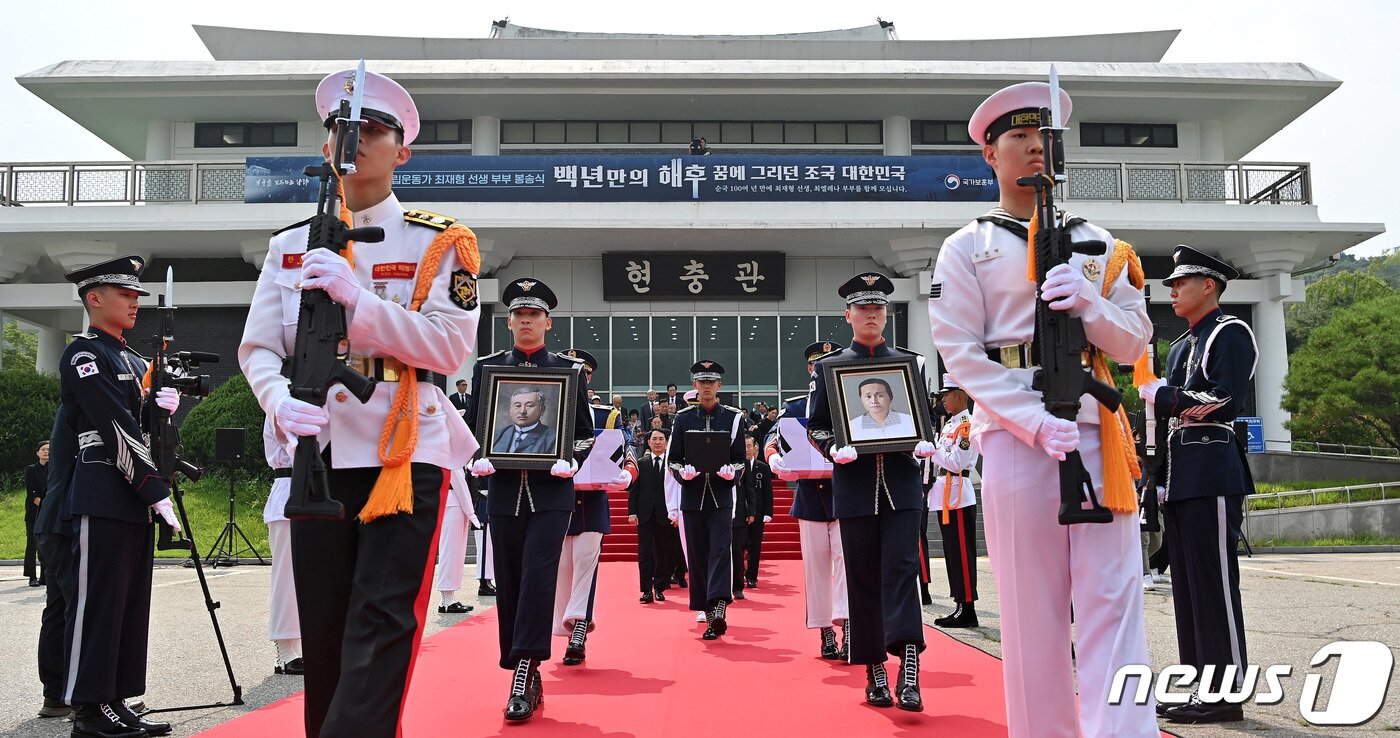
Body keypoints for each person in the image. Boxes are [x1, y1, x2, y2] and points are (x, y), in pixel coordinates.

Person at [238, 68, 482, 738]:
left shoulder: (438, 241)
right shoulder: (289, 245)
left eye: (374, 129)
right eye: (343, 130)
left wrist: (360, 302)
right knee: (325, 632)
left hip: (404, 449)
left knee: (380, 619)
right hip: (317, 449)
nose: (356, 140)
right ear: (327, 147)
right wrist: (278, 400)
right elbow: (258, 349)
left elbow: (448, 348)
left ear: (403, 152)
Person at [929, 80, 1158, 737]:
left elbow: (1135, 341)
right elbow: (960, 354)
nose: (1036, 149)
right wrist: (1031, 420)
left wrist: (1092, 305)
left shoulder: (1100, 243)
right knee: (1032, 612)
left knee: (1113, 600)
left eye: (1045, 138)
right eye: (1020, 138)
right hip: (1015, 436)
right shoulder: (968, 246)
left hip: (1095, 429)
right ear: (991, 155)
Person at [58, 254, 179, 737]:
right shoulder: (84, 355)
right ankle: (89, 710)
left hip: (133, 493)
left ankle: (116, 699)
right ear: (94, 298)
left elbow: (142, 425)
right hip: (105, 488)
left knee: (129, 603)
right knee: (98, 605)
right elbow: (112, 424)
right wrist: (153, 488)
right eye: (125, 294)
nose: (135, 303)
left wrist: (162, 408)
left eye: (136, 295)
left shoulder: (132, 359)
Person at [467, 277, 593, 722]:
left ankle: (523, 668)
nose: (526, 321)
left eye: (534, 315)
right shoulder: (487, 368)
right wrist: (477, 457)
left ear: (547, 322)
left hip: (551, 493)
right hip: (504, 491)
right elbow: (473, 426)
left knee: (538, 575)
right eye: (519, 315)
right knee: (510, 580)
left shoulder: (569, 370)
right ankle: (523, 666)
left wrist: (572, 459)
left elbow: (584, 433)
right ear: (508, 322)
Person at [807, 273, 934, 712]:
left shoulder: (912, 363)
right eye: (862, 308)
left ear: (886, 314)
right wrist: (831, 446)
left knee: (902, 569)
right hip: (856, 486)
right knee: (861, 577)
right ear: (848, 315)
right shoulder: (829, 367)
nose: (871, 315)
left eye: (878, 307)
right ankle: (874, 670)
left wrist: (925, 441)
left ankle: (909, 668)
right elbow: (816, 425)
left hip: (901, 485)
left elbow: (925, 416)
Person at [1140, 245, 1256, 724]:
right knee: (1187, 588)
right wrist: (1155, 479)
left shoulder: (1231, 331)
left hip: (1211, 470)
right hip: (1182, 477)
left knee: (1214, 584)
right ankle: (1201, 687)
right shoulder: (1181, 346)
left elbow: (1225, 400)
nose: (1172, 290)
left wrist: (1166, 396)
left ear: (1209, 285)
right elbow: (1166, 423)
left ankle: (1226, 694)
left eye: (1180, 283)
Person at [767, 340, 849, 660]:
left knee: (848, 566)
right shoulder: (796, 406)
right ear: (809, 369)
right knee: (817, 569)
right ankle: (825, 630)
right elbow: (773, 438)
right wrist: (774, 458)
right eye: (816, 365)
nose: (821, 370)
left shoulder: (849, 402)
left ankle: (850, 627)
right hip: (811, 497)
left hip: (846, 495)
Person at [555, 348, 632, 665]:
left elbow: (625, 450)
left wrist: (627, 473)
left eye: (582, 375)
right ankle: (567, 629)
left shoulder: (606, 415)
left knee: (585, 560)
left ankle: (579, 627)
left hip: (591, 502)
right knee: (561, 569)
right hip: (556, 502)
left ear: (588, 379)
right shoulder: (548, 411)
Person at [666, 360, 747, 640]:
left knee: (721, 550)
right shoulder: (683, 418)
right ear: (695, 386)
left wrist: (733, 473)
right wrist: (682, 474)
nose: (707, 387)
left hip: (721, 495)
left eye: (711, 382)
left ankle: (720, 603)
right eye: (702, 382)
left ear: (719, 386)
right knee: (698, 554)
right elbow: (673, 460)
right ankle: (708, 611)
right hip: (693, 496)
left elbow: (740, 458)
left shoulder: (733, 418)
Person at [927, 376, 980, 628]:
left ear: (960, 396)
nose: (943, 400)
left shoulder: (966, 425)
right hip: (945, 495)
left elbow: (957, 462)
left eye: (947, 395)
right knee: (952, 553)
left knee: (962, 554)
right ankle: (960, 604)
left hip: (958, 494)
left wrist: (933, 451)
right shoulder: (950, 424)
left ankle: (968, 608)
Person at [35, 406, 77, 720]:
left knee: (58, 609)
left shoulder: (68, 410)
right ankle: (85, 696)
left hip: (51, 522)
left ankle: (56, 694)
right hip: (66, 523)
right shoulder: (83, 404)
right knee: (80, 609)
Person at [260, 418, 304, 675]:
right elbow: (300, 447)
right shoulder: (280, 405)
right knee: (286, 578)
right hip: (288, 491)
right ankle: (286, 651)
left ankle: (300, 646)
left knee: (308, 579)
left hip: (314, 492)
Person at [629, 429, 673, 603]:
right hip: (644, 514)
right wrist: (632, 512)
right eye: (654, 439)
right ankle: (646, 590)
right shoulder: (641, 463)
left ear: (666, 442)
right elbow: (634, 490)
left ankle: (660, 588)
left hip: (665, 514)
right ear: (648, 442)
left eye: (661, 439)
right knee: (645, 553)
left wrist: (677, 513)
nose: (657, 442)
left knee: (663, 552)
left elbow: (677, 490)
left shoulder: (672, 465)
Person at [435, 466, 479, 614]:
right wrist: (471, 512)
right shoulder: (453, 458)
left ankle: (448, 598)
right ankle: (447, 599)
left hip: (454, 502)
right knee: (451, 551)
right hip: (453, 501)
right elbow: (460, 484)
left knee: (454, 551)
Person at [739, 436, 773, 589]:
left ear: (754, 448)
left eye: (749, 446)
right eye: (744, 446)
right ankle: (739, 574)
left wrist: (768, 512)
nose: (747, 449)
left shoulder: (762, 468)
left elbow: (768, 492)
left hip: (758, 513)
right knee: (739, 546)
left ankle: (752, 577)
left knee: (755, 546)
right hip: (740, 513)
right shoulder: (737, 467)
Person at [728, 438, 757, 600]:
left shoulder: (743, 464)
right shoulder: (717, 460)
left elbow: (749, 489)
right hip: (720, 513)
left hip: (739, 515)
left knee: (737, 553)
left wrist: (751, 511)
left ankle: (738, 587)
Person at [491, 386, 557, 454]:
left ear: (542, 410)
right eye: (518, 406)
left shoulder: (553, 439)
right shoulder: (497, 435)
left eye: (529, 406)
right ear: (510, 410)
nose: (522, 411)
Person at [848, 378, 916, 440]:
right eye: (868, 396)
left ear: (890, 397)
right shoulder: (851, 427)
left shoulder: (910, 421)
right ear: (861, 399)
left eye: (880, 396)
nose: (874, 401)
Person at [23, 440, 49, 587]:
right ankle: (31, 576)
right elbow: (31, 492)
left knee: (46, 545)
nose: (46, 452)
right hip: (34, 512)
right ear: (37, 452)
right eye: (43, 449)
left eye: (49, 449)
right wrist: (44, 505)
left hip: (49, 513)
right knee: (32, 545)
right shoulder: (31, 469)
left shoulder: (55, 469)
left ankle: (45, 576)